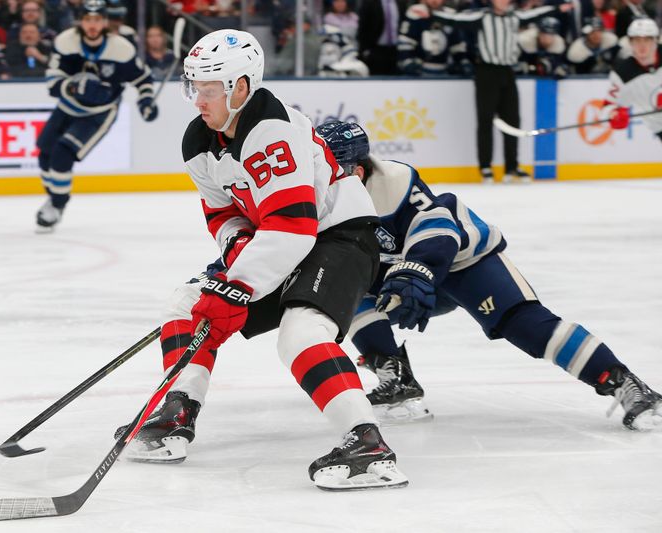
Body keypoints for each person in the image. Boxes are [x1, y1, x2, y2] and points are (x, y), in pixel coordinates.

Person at [116, 29, 408, 491]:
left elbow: (294, 228)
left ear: (241, 87)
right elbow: (224, 214)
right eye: (193, 87)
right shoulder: (199, 140)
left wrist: (239, 286)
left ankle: (368, 446)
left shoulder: (273, 128)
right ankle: (177, 414)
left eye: (208, 89)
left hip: (340, 237)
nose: (198, 100)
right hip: (283, 242)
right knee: (186, 304)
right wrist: (235, 260)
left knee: (301, 332)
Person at [313, 120, 662, 431]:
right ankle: (395, 373)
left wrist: (417, 268)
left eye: (329, 169)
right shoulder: (323, 191)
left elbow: (438, 229)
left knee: (527, 326)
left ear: (357, 172)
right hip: (397, 267)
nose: (319, 178)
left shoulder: (397, 183)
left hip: (463, 259)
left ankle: (625, 383)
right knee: (342, 286)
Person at [34, 0, 157, 232]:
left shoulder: (120, 48)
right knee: (44, 154)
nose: (93, 25)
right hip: (67, 106)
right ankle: (53, 197)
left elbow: (143, 78)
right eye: (88, 19)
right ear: (81, 21)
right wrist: (71, 87)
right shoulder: (65, 42)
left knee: (62, 153)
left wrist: (146, 100)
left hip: (99, 113)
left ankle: (57, 206)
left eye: (98, 19)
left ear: (105, 21)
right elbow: (52, 80)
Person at [426, 0, 573, 184]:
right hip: (487, 72)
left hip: (507, 72)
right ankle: (485, 167)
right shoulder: (482, 16)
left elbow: (536, 14)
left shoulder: (515, 17)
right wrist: (432, 13)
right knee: (486, 120)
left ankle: (511, 167)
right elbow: (456, 19)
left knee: (513, 120)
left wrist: (558, 8)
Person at [605, 17, 662, 142]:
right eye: (636, 40)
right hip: (659, 126)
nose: (641, 46)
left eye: (646, 40)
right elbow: (607, 107)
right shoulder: (622, 72)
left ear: (655, 41)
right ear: (630, 42)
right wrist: (614, 114)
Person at [398, 0, 473, 77]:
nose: (434, 1)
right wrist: (407, 61)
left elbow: (456, 43)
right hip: (418, 71)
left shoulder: (450, 14)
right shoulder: (415, 13)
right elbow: (406, 41)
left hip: (444, 71)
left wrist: (463, 61)